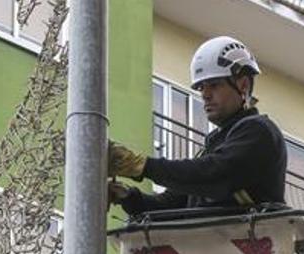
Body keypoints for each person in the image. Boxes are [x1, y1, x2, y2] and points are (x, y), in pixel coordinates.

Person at [107, 36, 287, 215]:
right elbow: (169, 205)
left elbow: (214, 174)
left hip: (248, 240)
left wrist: (141, 166)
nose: (205, 95)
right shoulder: (217, 146)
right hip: (215, 240)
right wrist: (127, 196)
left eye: (214, 85)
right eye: (202, 87)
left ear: (243, 85)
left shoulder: (258, 131)